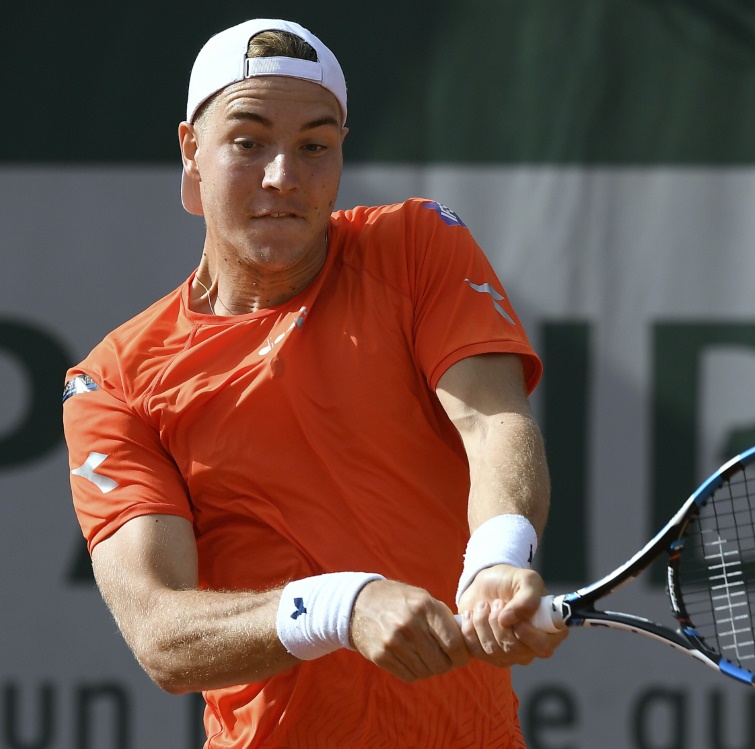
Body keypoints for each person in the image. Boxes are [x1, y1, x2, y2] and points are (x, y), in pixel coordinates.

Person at [62, 18, 567, 748]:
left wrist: (496, 555)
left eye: (314, 146)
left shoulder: (417, 245)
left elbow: (493, 424)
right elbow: (160, 632)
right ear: (190, 152)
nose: (283, 177)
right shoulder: (114, 383)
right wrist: (341, 605)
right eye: (248, 141)